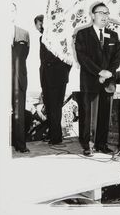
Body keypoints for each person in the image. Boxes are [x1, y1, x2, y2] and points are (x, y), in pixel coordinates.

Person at [75, 2, 120, 156]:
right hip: (90, 80)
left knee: (105, 114)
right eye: (101, 12)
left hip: (108, 81)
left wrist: (109, 72)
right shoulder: (83, 34)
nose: (105, 16)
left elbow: (117, 57)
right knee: (87, 114)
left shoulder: (113, 35)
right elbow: (83, 57)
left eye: (107, 13)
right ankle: (87, 144)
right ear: (93, 15)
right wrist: (99, 72)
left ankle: (102, 144)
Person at [34, 15, 72, 145]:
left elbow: (68, 58)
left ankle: (56, 137)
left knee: (56, 107)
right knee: (49, 107)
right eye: (37, 24)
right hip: (45, 78)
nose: (39, 27)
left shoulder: (58, 36)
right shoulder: (41, 38)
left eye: (40, 23)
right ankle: (52, 134)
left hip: (58, 77)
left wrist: (63, 73)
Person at [11, 3, 30, 153]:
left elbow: (24, 56)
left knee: (19, 113)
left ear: (15, 12)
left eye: (11, 9)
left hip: (18, 78)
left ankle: (20, 145)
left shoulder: (24, 34)